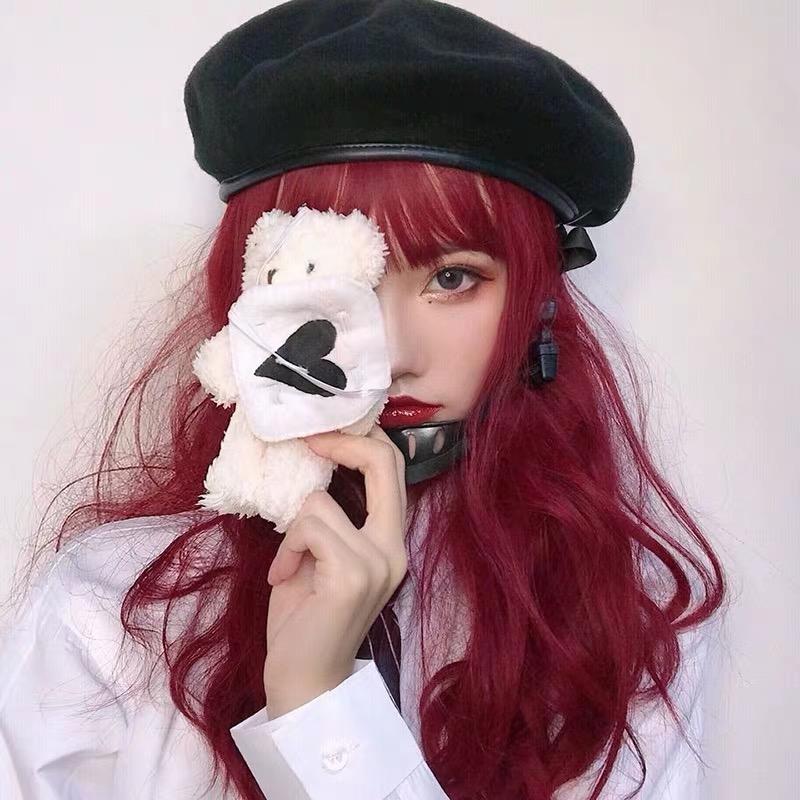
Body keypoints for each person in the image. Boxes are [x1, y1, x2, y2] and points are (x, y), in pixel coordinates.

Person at [0, 1, 728, 799]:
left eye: (453, 278)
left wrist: (317, 707)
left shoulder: (620, 620)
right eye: (342, 289)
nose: (395, 356)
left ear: (534, 305)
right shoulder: (114, 609)